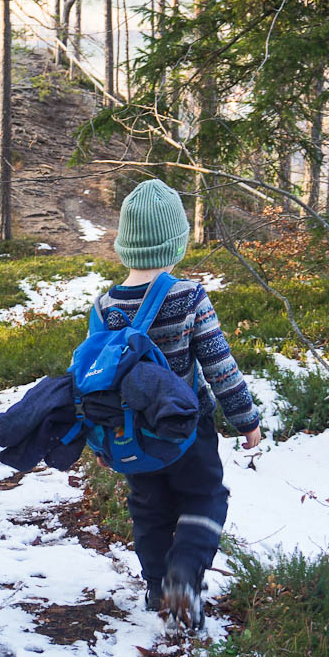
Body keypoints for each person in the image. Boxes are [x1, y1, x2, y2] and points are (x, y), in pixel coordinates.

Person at [97, 178, 262, 629]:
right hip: (189, 429)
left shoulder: (105, 305)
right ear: (176, 244)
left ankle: (156, 589)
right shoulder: (188, 297)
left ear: (125, 246)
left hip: (134, 435)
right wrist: (246, 420)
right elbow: (219, 367)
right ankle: (184, 575)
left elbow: (100, 379)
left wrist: (102, 440)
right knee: (205, 497)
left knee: (148, 508)